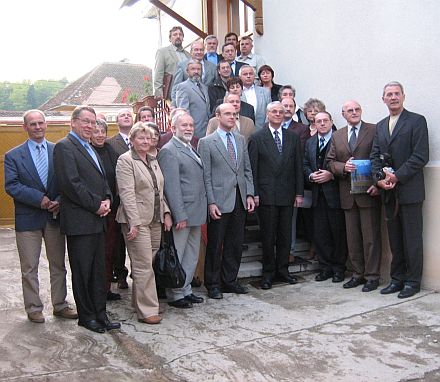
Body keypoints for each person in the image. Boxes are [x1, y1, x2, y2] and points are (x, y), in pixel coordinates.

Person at [4, 109, 78, 324]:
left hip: (54, 217)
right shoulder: (13, 155)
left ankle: (61, 305)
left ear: (46, 125)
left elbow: (68, 181)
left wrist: (59, 200)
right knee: (29, 267)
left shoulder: (59, 151)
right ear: (25, 127)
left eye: (40, 123)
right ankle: (34, 308)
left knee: (58, 265)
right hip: (28, 219)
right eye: (33, 124)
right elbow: (12, 186)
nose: (37, 127)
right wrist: (40, 199)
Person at [54, 106, 120, 333]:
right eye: (85, 121)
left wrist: (108, 200)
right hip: (80, 222)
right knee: (83, 272)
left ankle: (100, 314)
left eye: (93, 122)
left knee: (98, 271)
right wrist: (96, 205)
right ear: (73, 122)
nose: (90, 126)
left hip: (98, 220)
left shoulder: (90, 148)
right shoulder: (65, 147)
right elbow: (71, 184)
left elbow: (104, 180)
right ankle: (87, 316)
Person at [371, 81, 429, 298]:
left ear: (403, 96)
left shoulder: (416, 121)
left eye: (397, 94)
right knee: (395, 239)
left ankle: (412, 282)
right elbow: (375, 156)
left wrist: (398, 175)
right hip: (388, 192)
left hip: (410, 191)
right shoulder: (380, 125)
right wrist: (379, 180)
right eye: (389, 94)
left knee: (412, 239)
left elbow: (420, 156)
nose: (393, 97)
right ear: (383, 99)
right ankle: (397, 279)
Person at [116, 123, 173, 324]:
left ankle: (140, 303)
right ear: (131, 140)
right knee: (142, 265)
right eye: (141, 138)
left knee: (149, 262)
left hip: (155, 219)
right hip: (137, 221)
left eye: (148, 138)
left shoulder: (153, 160)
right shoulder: (125, 161)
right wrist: (134, 222)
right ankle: (148, 311)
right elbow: (127, 194)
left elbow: (159, 190)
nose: (146, 141)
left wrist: (166, 212)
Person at [198, 103, 255, 299]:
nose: (232, 117)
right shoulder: (207, 143)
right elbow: (205, 175)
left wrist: (249, 194)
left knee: (235, 243)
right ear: (218, 116)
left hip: (239, 199)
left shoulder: (240, 139)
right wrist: (211, 202)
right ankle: (213, 284)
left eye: (235, 114)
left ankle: (229, 280)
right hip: (219, 202)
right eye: (228, 114)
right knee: (215, 244)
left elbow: (246, 170)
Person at [327, 101, 382, 291]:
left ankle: (372, 276)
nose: (354, 112)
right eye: (350, 110)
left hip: (368, 192)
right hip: (348, 194)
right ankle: (357, 274)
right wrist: (343, 167)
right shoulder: (337, 135)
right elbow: (330, 162)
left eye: (357, 109)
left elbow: (381, 157)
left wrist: (377, 184)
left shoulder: (374, 130)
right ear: (343, 114)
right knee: (353, 239)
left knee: (371, 238)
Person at [248, 102, 304, 290]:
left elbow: (298, 166)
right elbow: (253, 169)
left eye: (281, 112)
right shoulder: (257, 137)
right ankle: (268, 273)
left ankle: (283, 270)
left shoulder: (293, 137)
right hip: (266, 194)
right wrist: (253, 193)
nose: (278, 114)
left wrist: (299, 192)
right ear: (267, 114)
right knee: (268, 235)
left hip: (287, 194)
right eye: (274, 111)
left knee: (285, 235)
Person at [157, 112, 207, 309]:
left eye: (190, 125)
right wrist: (179, 214)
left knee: (191, 255)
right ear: (173, 128)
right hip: (183, 214)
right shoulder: (169, 151)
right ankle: (175, 293)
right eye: (183, 125)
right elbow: (171, 187)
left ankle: (185, 289)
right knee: (178, 254)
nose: (188, 128)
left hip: (196, 212)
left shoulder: (190, 147)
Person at [303, 111, 348, 284]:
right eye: (318, 121)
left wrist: (331, 174)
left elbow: (343, 164)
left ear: (331, 122)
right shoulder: (310, 142)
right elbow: (305, 164)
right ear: (314, 124)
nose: (322, 124)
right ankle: (325, 268)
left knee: (337, 233)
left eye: (325, 121)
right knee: (320, 234)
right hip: (317, 195)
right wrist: (310, 176)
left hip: (335, 195)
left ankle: (338, 269)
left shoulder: (339, 139)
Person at [90, 118, 121, 301]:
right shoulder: (87, 151)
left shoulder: (111, 151)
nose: (100, 135)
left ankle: (107, 287)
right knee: (96, 252)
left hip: (112, 209)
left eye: (103, 131)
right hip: (93, 209)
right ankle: (96, 289)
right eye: (96, 131)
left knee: (110, 250)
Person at [107, 109, 134, 289]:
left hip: (138, 199)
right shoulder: (110, 144)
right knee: (117, 242)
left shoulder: (141, 139)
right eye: (122, 115)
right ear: (116, 121)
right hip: (118, 199)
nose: (126, 116)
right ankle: (120, 273)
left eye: (129, 115)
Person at [171, 40, 217, 105]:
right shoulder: (182, 66)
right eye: (196, 50)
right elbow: (176, 88)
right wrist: (174, 105)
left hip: (208, 105)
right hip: (189, 105)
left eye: (201, 50)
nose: (199, 52)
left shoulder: (212, 67)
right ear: (191, 52)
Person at [175, 60, 211, 138]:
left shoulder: (204, 87)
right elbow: (184, 111)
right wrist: (188, 129)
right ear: (187, 71)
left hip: (206, 131)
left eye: (198, 69)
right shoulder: (183, 87)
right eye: (193, 69)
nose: (196, 71)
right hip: (193, 131)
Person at [154, 26, 191, 99]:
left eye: (180, 34)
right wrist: (158, 92)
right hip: (171, 93)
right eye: (175, 34)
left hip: (187, 93)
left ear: (183, 38)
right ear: (170, 38)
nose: (178, 36)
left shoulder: (188, 55)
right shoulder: (162, 52)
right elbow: (158, 73)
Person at [239, 64, 271, 129]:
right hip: (242, 130)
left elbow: (269, 111)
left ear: (254, 76)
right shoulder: (235, 92)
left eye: (251, 74)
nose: (248, 76)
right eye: (245, 74)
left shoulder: (265, 92)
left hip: (261, 130)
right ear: (240, 77)